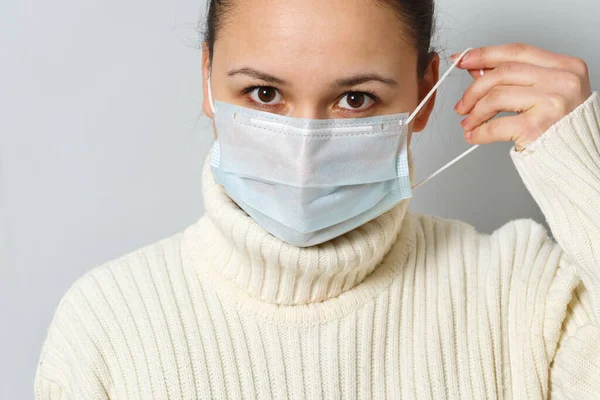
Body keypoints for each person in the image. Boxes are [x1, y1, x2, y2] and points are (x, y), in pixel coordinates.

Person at [35, 0, 600, 398]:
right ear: (207, 78)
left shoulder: (524, 292)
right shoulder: (106, 324)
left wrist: (580, 173)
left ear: (425, 94)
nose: (303, 150)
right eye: (264, 93)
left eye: (355, 98)